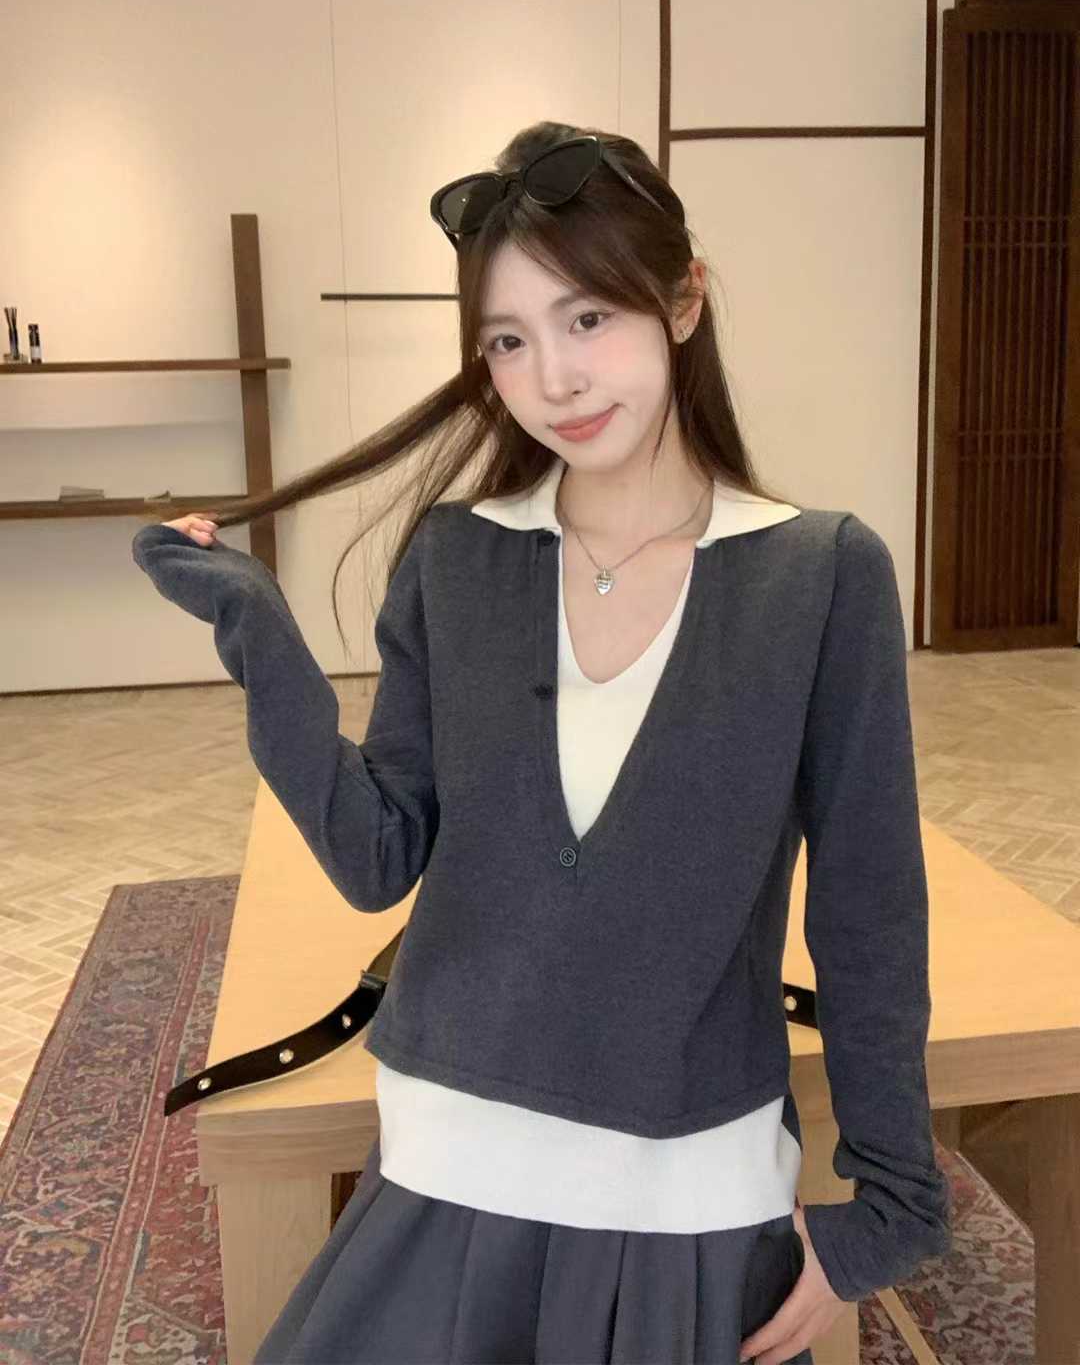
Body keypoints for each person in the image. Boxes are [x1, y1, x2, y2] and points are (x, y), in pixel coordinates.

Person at [132, 122, 952, 1364]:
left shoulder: (818, 576)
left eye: (589, 319)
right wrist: (255, 626)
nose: (554, 378)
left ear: (684, 302)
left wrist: (890, 1208)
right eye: (508, 340)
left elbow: (870, 907)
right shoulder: (458, 560)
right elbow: (377, 856)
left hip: (687, 1191)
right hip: (446, 1171)